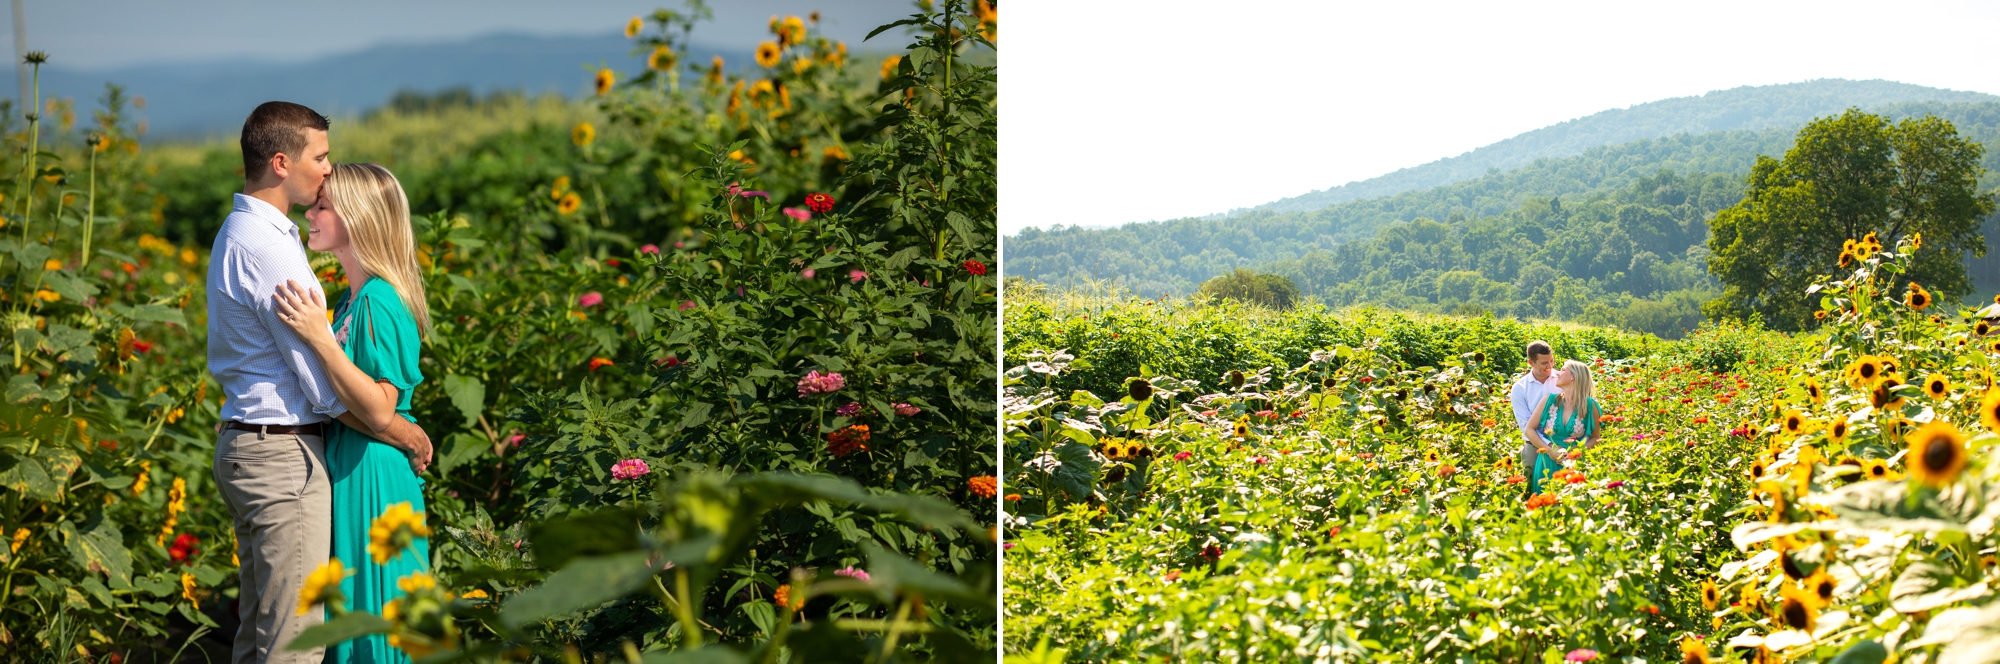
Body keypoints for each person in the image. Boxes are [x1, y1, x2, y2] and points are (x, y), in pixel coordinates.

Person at [207, 101, 432, 664]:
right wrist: (399, 430)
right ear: (282, 162)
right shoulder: (272, 248)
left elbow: (359, 389)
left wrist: (383, 418)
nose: (327, 171)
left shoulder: (369, 298)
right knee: (292, 641)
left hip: (351, 468)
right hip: (304, 455)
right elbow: (326, 391)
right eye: (322, 158)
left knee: (286, 631)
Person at [273, 163, 433, 664]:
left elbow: (382, 407)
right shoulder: (352, 299)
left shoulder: (380, 301)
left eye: (323, 206)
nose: (311, 214)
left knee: (377, 623)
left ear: (359, 218)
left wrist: (320, 338)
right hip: (356, 463)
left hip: (375, 476)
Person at [1524, 359, 1602, 496]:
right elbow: (1529, 430)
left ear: (1573, 376)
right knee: (1545, 508)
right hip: (1547, 462)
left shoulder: (1590, 405)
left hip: (1575, 464)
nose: (1558, 373)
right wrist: (1549, 450)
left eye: (1563, 370)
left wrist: (1576, 452)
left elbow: (1596, 437)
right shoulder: (1549, 400)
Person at [1509, 340, 1560, 489]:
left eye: (1551, 360)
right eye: (1544, 363)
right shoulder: (1520, 388)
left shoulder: (1562, 379)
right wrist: (1549, 446)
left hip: (1562, 442)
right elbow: (1525, 426)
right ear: (1531, 362)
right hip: (1534, 446)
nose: (1550, 366)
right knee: (1531, 486)